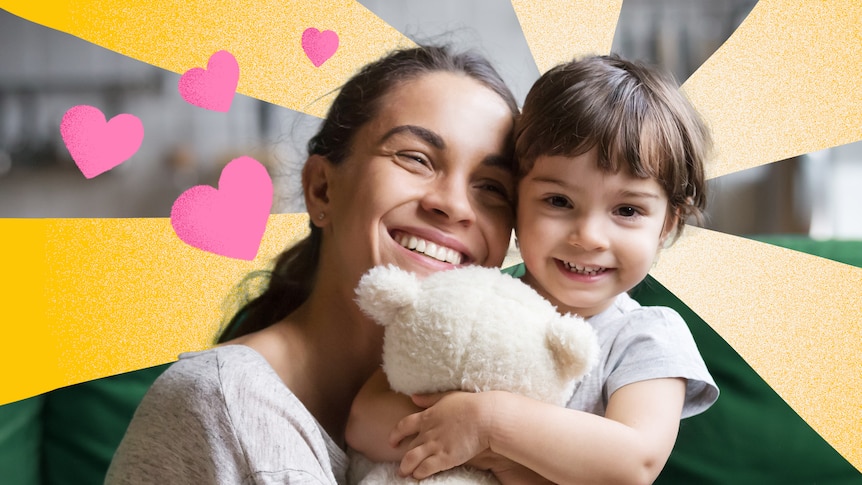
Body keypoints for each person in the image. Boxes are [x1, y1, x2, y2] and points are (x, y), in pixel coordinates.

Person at [104, 44, 520, 484]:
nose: (455, 206)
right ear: (322, 189)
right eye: (415, 158)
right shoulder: (222, 401)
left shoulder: (498, 415)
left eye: (492, 187)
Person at [346, 54, 719, 485]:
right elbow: (365, 417)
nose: (590, 236)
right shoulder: (471, 300)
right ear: (516, 204)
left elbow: (634, 463)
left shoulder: (646, 336)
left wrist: (490, 427)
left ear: (667, 225)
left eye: (628, 209)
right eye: (558, 201)